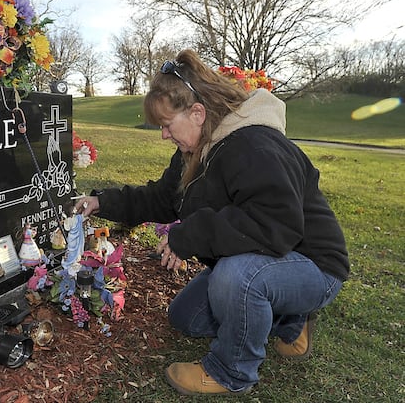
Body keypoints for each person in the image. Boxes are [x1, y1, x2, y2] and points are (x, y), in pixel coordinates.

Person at [77, 49, 349, 395]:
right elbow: (162, 198)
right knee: (186, 317)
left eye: (166, 125)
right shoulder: (197, 149)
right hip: (268, 258)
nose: (163, 135)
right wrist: (101, 201)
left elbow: (276, 224)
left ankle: (231, 371)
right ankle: (291, 321)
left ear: (197, 112)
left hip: (313, 267)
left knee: (237, 279)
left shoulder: (254, 144)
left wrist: (192, 234)